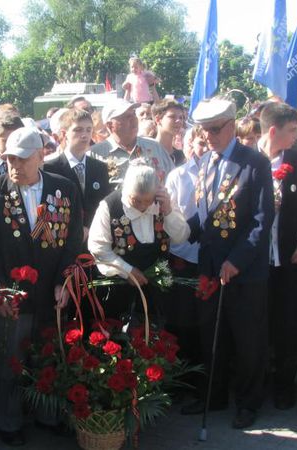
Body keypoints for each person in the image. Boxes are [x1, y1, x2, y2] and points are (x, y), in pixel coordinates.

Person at [0, 127, 83, 446]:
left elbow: (72, 239)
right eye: (10, 158)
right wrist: (1, 293)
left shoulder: (63, 188)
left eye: (22, 159)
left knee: (49, 355)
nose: (15, 166)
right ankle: (9, 422)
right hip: (14, 292)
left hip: (52, 290)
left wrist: (63, 282)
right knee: (11, 358)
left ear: (41, 155)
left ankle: (48, 414)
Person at [180, 98, 274, 430]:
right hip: (210, 266)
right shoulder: (205, 162)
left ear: (232, 126)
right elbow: (203, 216)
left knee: (248, 339)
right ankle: (214, 395)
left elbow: (262, 220)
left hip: (244, 269)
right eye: (204, 130)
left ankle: (249, 402)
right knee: (212, 335)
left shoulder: (255, 164)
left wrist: (237, 260)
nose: (208, 136)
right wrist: (175, 227)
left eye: (215, 130)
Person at [254, 103, 297, 410]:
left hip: (289, 260)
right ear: (273, 131)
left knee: (287, 325)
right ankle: (254, 387)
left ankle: (285, 386)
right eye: (293, 130)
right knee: (255, 325)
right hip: (254, 261)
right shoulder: (248, 159)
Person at [88, 161, 189, 323]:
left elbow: (181, 236)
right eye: (136, 201)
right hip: (120, 289)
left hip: (157, 288)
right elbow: (98, 247)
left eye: (148, 201)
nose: (143, 206)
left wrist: (168, 211)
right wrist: (126, 270)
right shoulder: (110, 206)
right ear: (126, 191)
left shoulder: (162, 202)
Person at [164, 125, 208, 370]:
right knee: (182, 316)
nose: (203, 149)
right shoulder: (178, 176)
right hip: (183, 253)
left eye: (206, 143)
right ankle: (183, 372)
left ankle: (204, 369)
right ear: (189, 145)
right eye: (198, 143)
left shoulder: (221, 174)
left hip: (210, 254)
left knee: (205, 317)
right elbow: (171, 214)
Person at [43, 109, 111, 240]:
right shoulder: (50, 168)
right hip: (64, 238)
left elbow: (104, 204)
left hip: (96, 236)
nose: (84, 135)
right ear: (64, 133)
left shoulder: (100, 168)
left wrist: (91, 228)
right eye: (78, 130)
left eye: (88, 130)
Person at [90, 99, 174, 187]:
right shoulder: (96, 153)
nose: (133, 119)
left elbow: (173, 181)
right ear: (110, 125)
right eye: (126, 116)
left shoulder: (155, 147)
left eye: (133, 114)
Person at [153, 99, 187, 166]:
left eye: (181, 117)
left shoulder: (180, 156)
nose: (178, 121)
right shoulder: (147, 150)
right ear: (158, 119)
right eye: (172, 117)